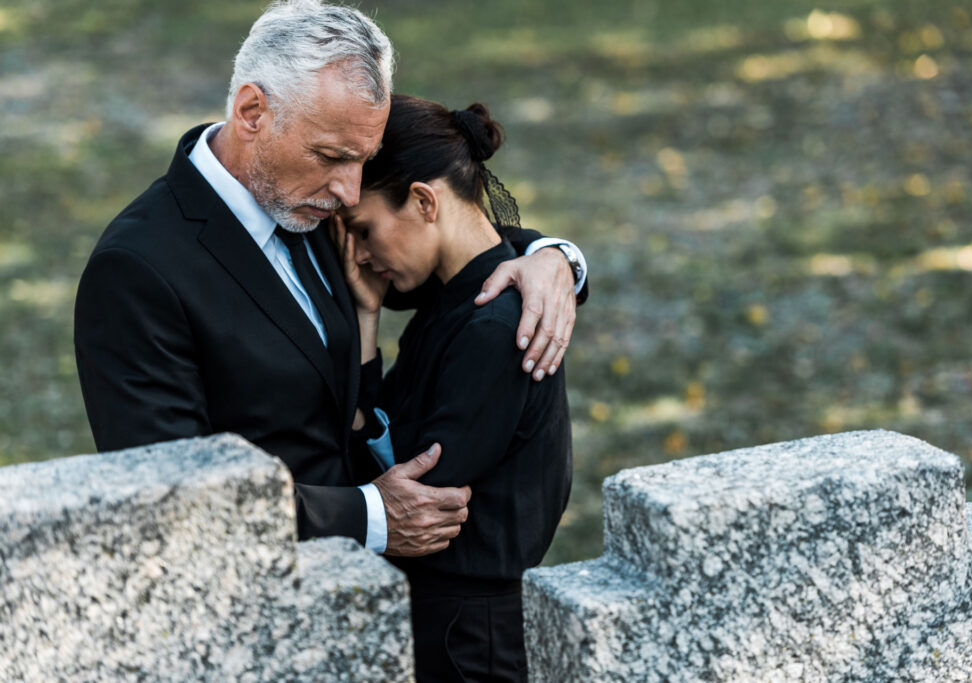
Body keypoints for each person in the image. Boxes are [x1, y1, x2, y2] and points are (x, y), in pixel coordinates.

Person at [73, 0, 587, 557]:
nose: (348, 192)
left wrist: (554, 258)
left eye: (362, 161)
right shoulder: (136, 270)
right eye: (332, 156)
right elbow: (171, 497)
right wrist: (368, 515)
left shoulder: (315, 201)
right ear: (252, 113)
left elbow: (450, 249)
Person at [338, 95, 573, 682]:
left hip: (472, 639)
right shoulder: (451, 300)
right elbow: (381, 432)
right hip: (447, 621)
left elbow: (417, 493)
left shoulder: (495, 328)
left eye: (363, 230)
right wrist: (366, 322)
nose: (360, 256)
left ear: (423, 200)